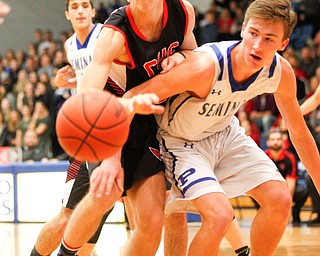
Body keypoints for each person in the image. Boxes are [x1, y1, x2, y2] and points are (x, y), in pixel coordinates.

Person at [124, 0, 320, 254]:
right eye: (253, 34)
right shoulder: (205, 66)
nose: (258, 45)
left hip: (226, 134)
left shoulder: (280, 72)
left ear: (283, 44)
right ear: (242, 29)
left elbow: (299, 133)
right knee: (219, 216)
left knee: (280, 199)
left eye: (269, 39)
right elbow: (133, 96)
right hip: (182, 143)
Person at [30, 1, 113, 255]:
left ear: (92, 11)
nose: (79, 10)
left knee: (101, 207)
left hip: (114, 128)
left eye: (84, 5)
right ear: (67, 14)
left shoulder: (106, 35)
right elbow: (87, 80)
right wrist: (61, 82)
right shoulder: (69, 46)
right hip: (87, 134)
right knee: (69, 213)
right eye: (74, 6)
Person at [264, 129, 308, 224]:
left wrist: (287, 205)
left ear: (283, 142)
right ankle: (264, 214)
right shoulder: (263, 157)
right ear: (268, 142)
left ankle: (295, 214)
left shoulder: (289, 157)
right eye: (273, 139)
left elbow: (291, 183)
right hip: (269, 189)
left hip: (286, 188)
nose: (276, 142)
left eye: (278, 139)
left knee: (302, 190)